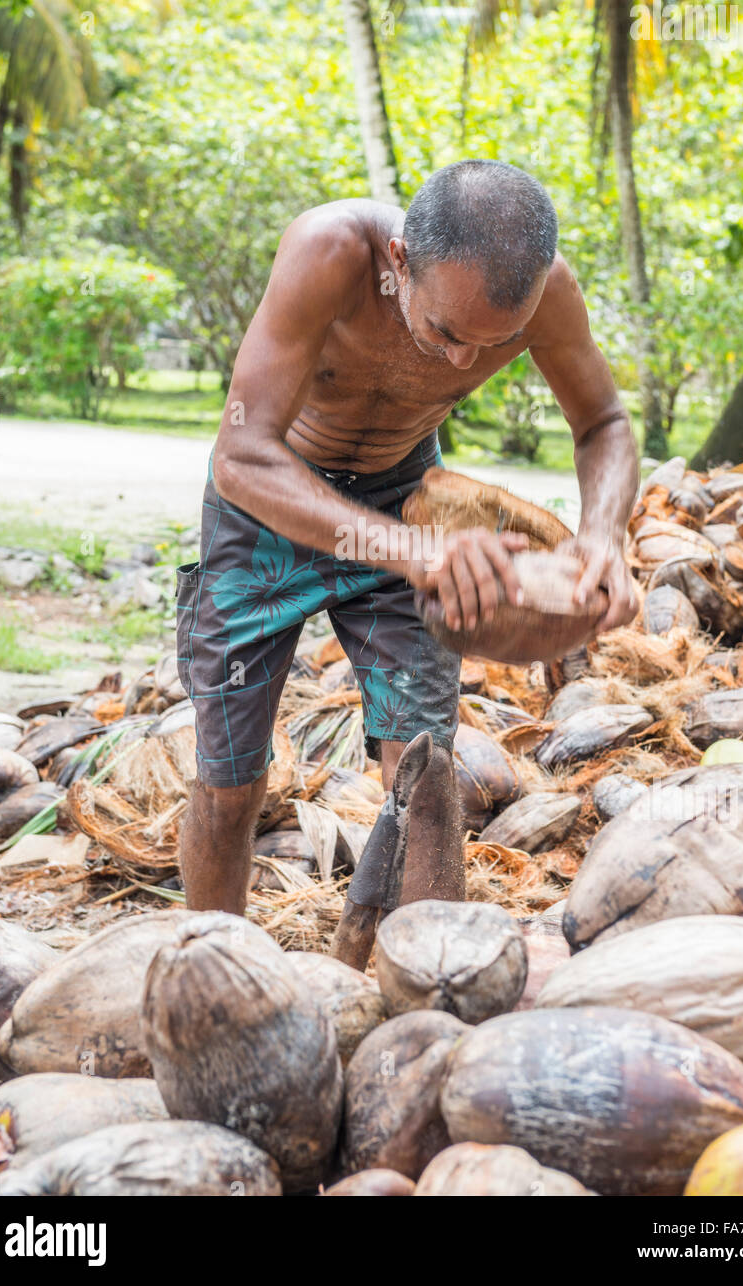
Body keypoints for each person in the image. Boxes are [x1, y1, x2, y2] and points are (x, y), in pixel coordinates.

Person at [176, 159, 639, 919]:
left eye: (496, 343)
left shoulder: (548, 288)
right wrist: (412, 552)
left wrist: (601, 539)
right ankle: (209, 965)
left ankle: (427, 989)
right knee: (229, 785)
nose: (463, 362)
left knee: (424, 780)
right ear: (398, 264)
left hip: (409, 500)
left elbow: (604, 423)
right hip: (269, 504)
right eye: (446, 332)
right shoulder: (329, 252)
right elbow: (240, 455)